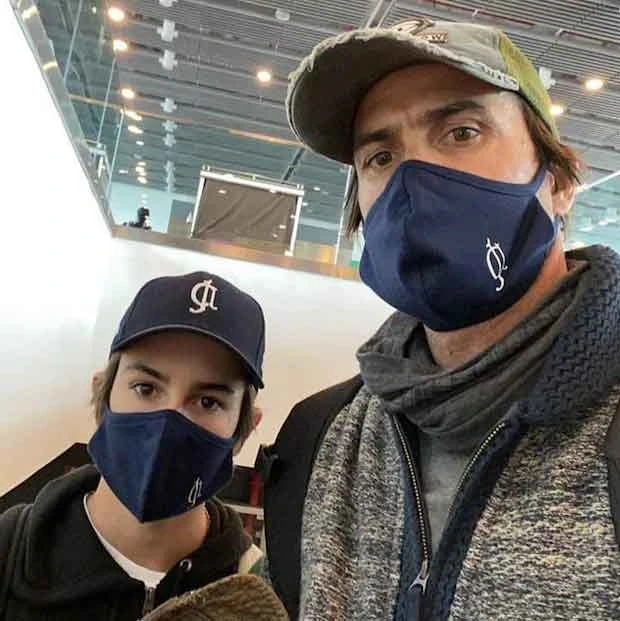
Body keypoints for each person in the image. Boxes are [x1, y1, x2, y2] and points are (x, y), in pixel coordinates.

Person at [261, 17, 620, 621]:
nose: (414, 181)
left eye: (461, 132)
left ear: (558, 183)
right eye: (380, 156)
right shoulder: (316, 439)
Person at [0, 271, 269, 620]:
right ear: (102, 393)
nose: (168, 420)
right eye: (146, 388)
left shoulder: (261, 598)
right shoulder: (8, 554)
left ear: (245, 427)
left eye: (208, 402)